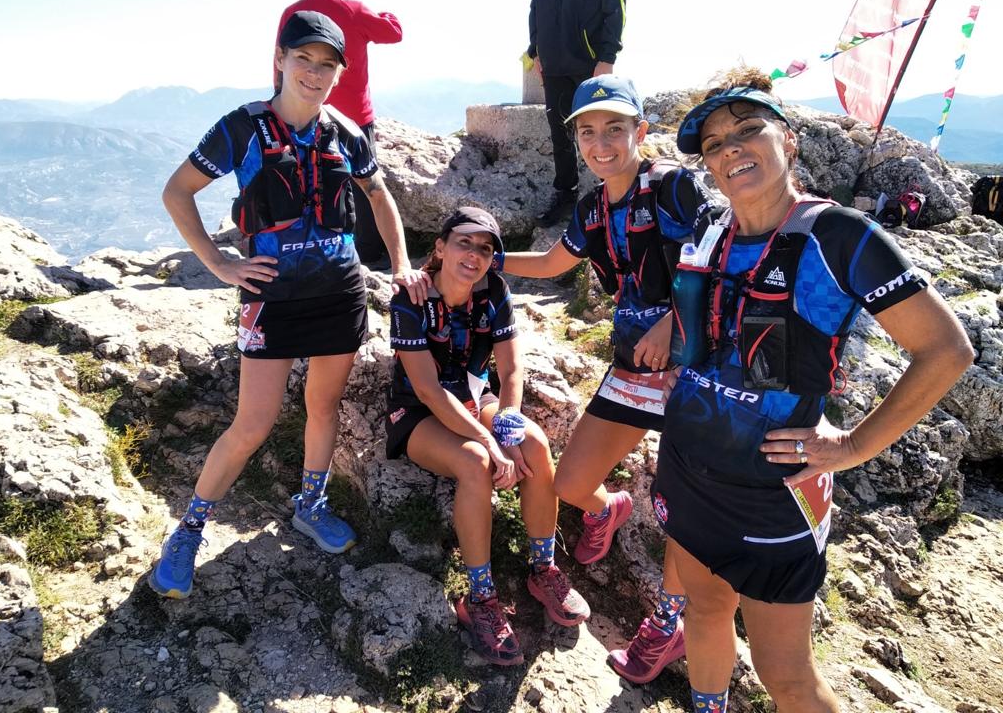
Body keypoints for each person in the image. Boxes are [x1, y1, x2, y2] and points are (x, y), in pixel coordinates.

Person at [650, 67, 974, 711]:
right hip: (686, 467)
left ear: (789, 140)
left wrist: (853, 446)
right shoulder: (712, 232)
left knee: (785, 673)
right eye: (714, 144)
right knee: (705, 609)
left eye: (748, 131)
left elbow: (946, 350)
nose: (731, 150)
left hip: (773, 495)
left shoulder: (840, 236)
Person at [150, 10, 428, 599]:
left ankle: (311, 504)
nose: (315, 72)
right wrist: (219, 264)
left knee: (322, 406)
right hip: (271, 298)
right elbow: (177, 191)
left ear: (339, 73)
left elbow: (379, 196)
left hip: (340, 295)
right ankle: (189, 531)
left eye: (328, 64)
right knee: (252, 424)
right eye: (304, 58)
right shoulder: (241, 128)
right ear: (279, 59)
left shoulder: (345, 132)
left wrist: (400, 262)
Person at [499, 74, 714, 682]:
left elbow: (723, 257)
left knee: (684, 509)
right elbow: (552, 263)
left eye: (614, 129)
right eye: (588, 132)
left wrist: (673, 321)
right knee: (570, 482)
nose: (601, 144)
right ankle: (607, 509)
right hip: (632, 363)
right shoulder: (593, 207)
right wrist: (482, 259)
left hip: (695, 370)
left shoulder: (673, 186)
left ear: (640, 131)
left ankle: (667, 627)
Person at [385, 207, 590, 666]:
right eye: (464, 241)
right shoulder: (410, 299)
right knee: (476, 461)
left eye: (485, 247)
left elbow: (511, 368)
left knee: (535, 444)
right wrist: (491, 442)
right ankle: (480, 597)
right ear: (440, 247)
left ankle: (543, 568)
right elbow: (427, 389)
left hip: (476, 397)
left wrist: (510, 425)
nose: (474, 254)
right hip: (419, 413)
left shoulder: (494, 290)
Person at [275, 0, 403, 269]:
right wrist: (384, 13)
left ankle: (306, 246)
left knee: (305, 181)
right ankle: (369, 255)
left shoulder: (293, 12)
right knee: (366, 187)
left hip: (303, 113)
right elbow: (394, 32)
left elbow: (280, 60)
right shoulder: (355, 9)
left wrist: (280, 102)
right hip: (355, 116)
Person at [527, 0, 627, 227]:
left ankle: (613, 198)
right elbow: (536, 6)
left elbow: (615, 6)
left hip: (590, 63)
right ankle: (566, 195)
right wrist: (535, 51)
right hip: (552, 63)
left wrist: (607, 57)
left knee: (600, 131)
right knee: (560, 133)